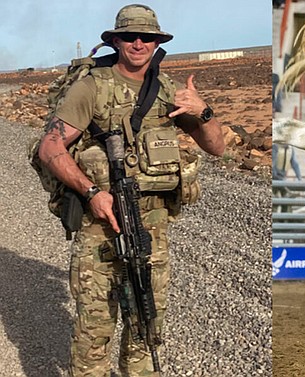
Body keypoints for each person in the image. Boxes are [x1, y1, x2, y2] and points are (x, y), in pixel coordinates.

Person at [37, 5, 225, 376]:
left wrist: (204, 112)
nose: (139, 43)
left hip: (152, 229)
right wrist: (93, 192)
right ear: (115, 41)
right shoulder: (92, 86)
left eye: (148, 37)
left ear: (158, 42)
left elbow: (216, 147)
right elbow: (50, 148)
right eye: (129, 36)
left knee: (145, 326)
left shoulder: (169, 91)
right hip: (100, 226)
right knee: (95, 331)